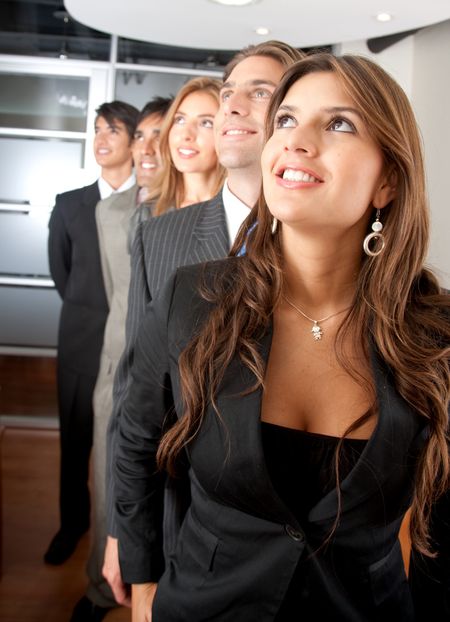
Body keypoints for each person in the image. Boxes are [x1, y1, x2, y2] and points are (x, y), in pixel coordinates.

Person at [114, 53, 450, 621]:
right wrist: (142, 578)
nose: (296, 141)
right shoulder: (191, 298)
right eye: (287, 120)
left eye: (338, 123)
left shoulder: (435, 335)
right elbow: (135, 444)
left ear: (388, 180)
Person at [103, 41, 305, 608]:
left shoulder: (331, 245)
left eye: (260, 92)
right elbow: (134, 409)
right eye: (228, 91)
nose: (233, 105)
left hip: (302, 555)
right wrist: (129, 543)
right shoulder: (162, 237)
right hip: (179, 529)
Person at [70, 97, 172, 622]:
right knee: (108, 482)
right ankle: (99, 589)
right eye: (141, 136)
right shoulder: (109, 211)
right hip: (117, 371)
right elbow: (117, 297)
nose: (148, 147)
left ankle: (157, 588)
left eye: (161, 134)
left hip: (174, 378)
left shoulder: (189, 210)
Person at [46, 100, 139, 565]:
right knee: (75, 442)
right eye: (97, 129)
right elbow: (61, 275)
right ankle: (72, 524)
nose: (102, 138)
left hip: (132, 349)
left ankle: (119, 534)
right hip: (81, 344)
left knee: (124, 447)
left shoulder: (151, 204)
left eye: (114, 130)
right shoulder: (69, 205)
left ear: (134, 141)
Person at [149, 76, 225, 214]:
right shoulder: (147, 213)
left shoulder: (245, 212)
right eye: (180, 120)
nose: (186, 135)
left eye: (206, 123)